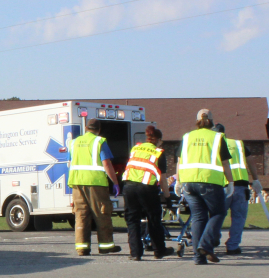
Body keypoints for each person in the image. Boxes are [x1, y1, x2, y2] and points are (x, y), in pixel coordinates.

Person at [177, 109, 234, 265]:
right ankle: (205, 245)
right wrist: (231, 182)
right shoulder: (217, 137)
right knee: (218, 212)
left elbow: (179, 160)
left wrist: (178, 182)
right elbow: (225, 163)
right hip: (209, 181)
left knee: (198, 217)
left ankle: (198, 257)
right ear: (212, 121)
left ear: (197, 120)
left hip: (189, 183)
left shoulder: (187, 137)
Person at [67, 118, 121, 256]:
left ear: (86, 128)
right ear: (99, 130)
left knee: (81, 215)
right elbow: (107, 164)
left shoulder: (74, 142)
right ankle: (105, 246)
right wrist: (115, 182)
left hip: (77, 183)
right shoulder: (99, 141)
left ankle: (82, 248)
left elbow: (70, 162)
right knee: (102, 213)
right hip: (96, 183)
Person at [122, 125, 171, 261]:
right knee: (153, 219)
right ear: (159, 140)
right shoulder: (158, 152)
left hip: (129, 187)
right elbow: (162, 179)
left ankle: (136, 253)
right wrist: (167, 198)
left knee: (132, 220)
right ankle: (159, 250)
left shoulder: (135, 148)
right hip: (147, 188)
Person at [212, 123, 261, 255]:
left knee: (216, 216)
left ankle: (213, 239)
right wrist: (255, 179)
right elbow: (251, 161)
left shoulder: (213, 144)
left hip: (222, 185)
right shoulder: (238, 144)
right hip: (241, 185)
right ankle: (233, 246)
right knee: (238, 218)